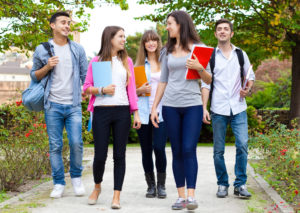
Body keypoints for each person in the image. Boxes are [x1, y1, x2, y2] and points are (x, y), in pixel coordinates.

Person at [150, 10, 212, 210]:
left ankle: (192, 196)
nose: (167, 27)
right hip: (170, 106)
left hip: (193, 105)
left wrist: (199, 67)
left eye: (170, 23)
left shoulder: (199, 49)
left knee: (188, 149)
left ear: (181, 24)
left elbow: (209, 80)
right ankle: (181, 196)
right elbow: (163, 80)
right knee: (176, 150)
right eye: (167, 23)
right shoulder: (167, 50)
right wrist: (154, 108)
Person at [30, 11, 87, 198]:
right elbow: (34, 75)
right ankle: (58, 183)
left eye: (69, 23)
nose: (67, 26)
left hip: (73, 105)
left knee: (76, 143)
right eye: (63, 22)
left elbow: (85, 76)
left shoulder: (77, 49)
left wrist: (87, 91)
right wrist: (47, 66)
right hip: (52, 105)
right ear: (53, 25)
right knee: (55, 146)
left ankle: (77, 178)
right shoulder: (42, 49)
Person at [83, 26, 141, 209]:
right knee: (100, 155)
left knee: (119, 155)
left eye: (125, 36)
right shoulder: (96, 61)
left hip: (122, 111)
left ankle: (116, 196)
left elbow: (131, 89)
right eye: (121, 36)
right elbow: (86, 87)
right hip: (101, 111)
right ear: (110, 39)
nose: (124, 39)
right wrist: (101, 90)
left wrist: (136, 112)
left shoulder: (127, 61)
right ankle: (97, 187)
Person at [201, 18, 255, 198]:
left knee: (242, 145)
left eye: (226, 29)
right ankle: (222, 184)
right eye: (219, 29)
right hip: (218, 108)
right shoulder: (210, 57)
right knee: (218, 150)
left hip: (239, 107)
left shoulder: (241, 54)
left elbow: (250, 76)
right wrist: (204, 107)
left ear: (231, 33)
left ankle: (240, 184)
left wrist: (247, 89)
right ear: (216, 34)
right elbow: (206, 84)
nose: (222, 31)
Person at [135, 30, 168, 199]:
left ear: (158, 42)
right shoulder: (139, 66)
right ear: (144, 44)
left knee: (159, 147)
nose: (151, 43)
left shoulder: (165, 62)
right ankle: (151, 186)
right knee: (146, 150)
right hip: (143, 112)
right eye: (147, 41)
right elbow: (131, 93)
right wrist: (139, 90)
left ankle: (162, 185)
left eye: (154, 40)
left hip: (162, 112)